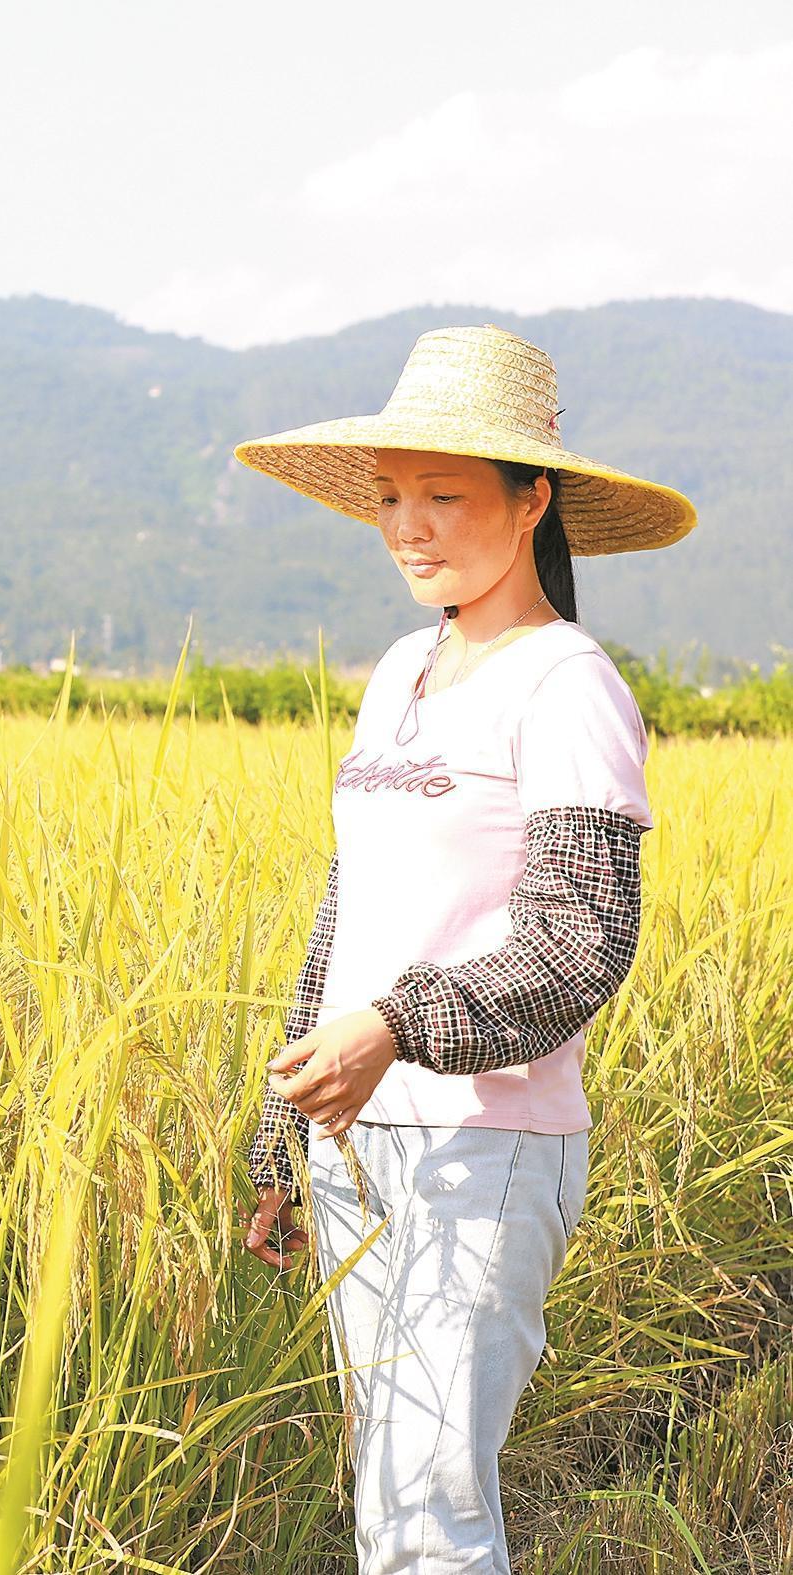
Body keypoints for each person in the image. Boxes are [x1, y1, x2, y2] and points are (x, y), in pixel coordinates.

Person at [234, 326, 696, 1574]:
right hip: (357, 1141)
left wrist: (393, 1029)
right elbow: (350, 911)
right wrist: (285, 1132)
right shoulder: (402, 669)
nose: (409, 526)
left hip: (481, 1148)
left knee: (428, 1505)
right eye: (390, 496)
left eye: (444, 494)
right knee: (389, 1492)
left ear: (531, 497)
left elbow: (579, 941)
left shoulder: (566, 683)